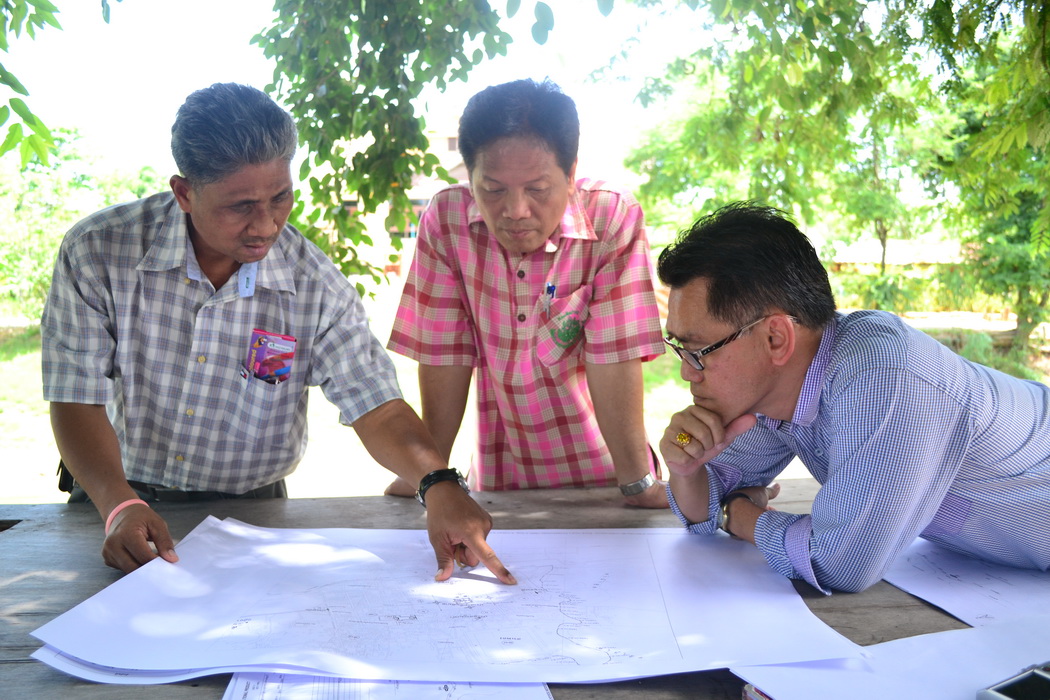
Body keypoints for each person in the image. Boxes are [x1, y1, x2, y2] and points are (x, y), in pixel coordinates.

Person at [41, 82, 515, 585]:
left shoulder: (312, 284)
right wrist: (119, 505)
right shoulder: (99, 252)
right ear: (184, 193)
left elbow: (376, 404)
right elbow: (76, 397)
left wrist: (438, 484)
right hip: (115, 498)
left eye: (280, 197)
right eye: (240, 206)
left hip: (250, 512)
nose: (266, 225)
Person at [657, 202, 1050, 594]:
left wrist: (740, 516)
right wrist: (686, 470)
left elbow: (839, 563)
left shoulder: (883, 375)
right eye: (680, 350)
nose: (687, 372)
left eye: (699, 351)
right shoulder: (779, 394)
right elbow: (706, 505)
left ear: (776, 338)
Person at [386, 78, 667, 507]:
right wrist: (427, 473)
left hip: (607, 478)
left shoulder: (611, 217)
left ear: (571, 174)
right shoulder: (446, 221)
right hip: (499, 482)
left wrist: (636, 484)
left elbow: (614, 355)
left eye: (537, 189)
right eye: (493, 189)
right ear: (469, 177)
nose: (515, 211)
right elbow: (446, 356)